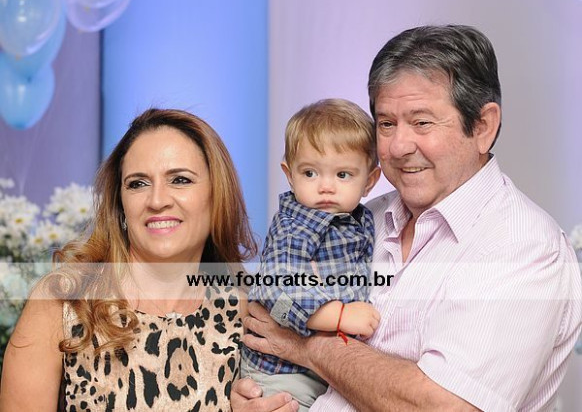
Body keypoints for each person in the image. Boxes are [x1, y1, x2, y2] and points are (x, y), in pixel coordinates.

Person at [232, 25, 582, 412]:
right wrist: (254, 397)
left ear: (483, 127)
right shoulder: (360, 218)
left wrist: (309, 346)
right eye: (386, 124)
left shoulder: (525, 247)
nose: (398, 147)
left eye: (422, 122)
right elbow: (268, 312)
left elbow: (444, 407)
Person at [0, 108, 257, 411]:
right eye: (138, 184)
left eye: (180, 180)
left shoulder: (245, 311)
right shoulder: (64, 302)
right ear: (121, 205)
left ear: (217, 194)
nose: (157, 200)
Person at [240, 99, 381, 411]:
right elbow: (278, 288)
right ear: (290, 174)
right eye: (310, 173)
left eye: (343, 175)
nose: (326, 187)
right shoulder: (294, 226)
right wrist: (340, 316)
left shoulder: (364, 220)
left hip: (326, 370)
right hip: (281, 374)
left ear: (370, 181)